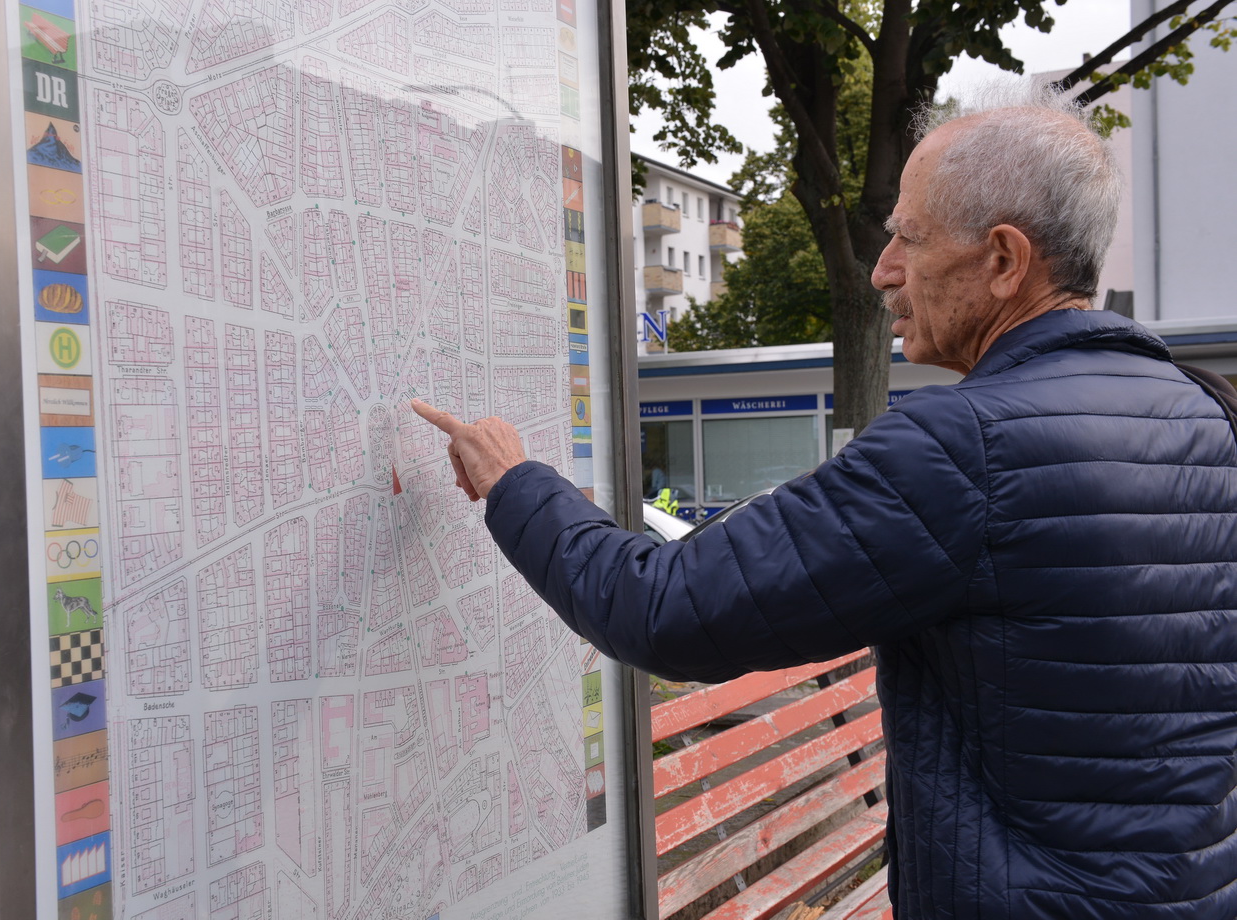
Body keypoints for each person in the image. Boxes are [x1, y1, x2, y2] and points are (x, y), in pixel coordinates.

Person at [412, 86, 1237, 919]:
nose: (882, 271)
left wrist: (514, 482)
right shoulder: (1209, 415)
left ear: (1003, 260)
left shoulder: (962, 447)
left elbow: (664, 609)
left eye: (909, 238)